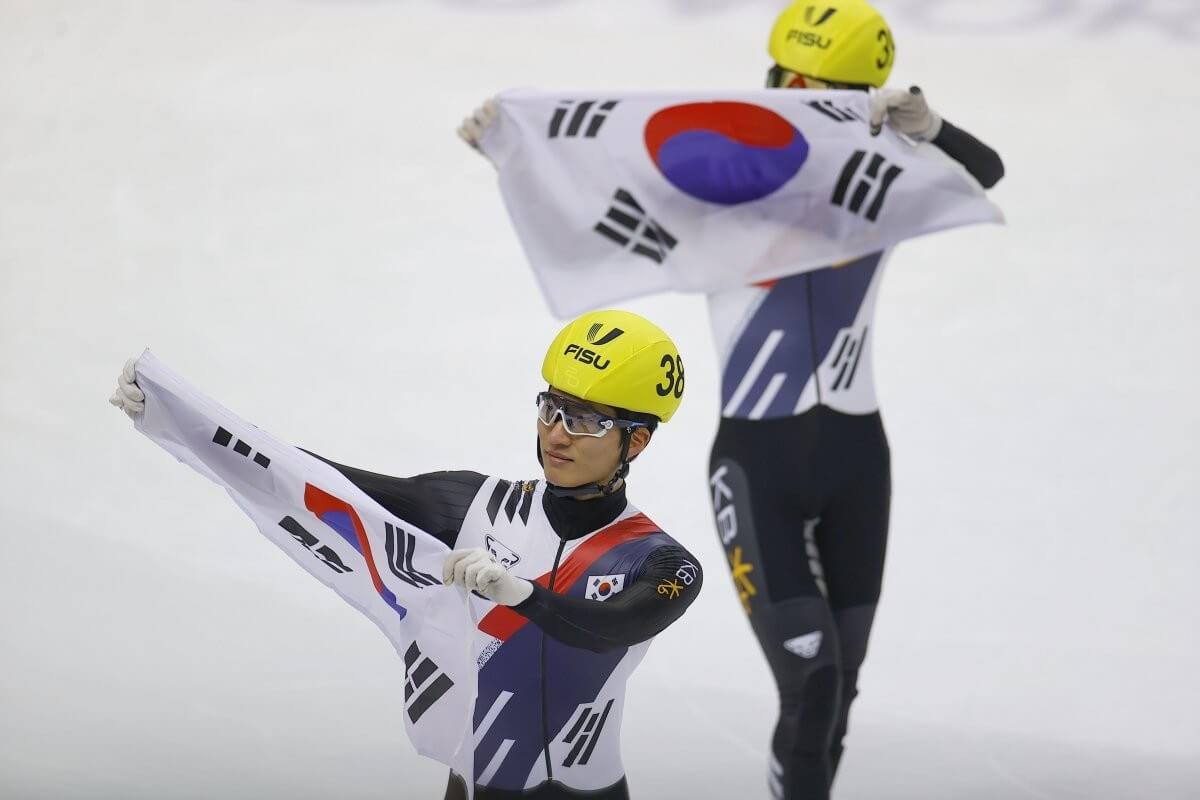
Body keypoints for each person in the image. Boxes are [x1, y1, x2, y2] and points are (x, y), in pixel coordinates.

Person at [456, 2, 1004, 798]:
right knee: (814, 679)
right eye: (794, 83)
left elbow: (983, 176)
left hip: (859, 462)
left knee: (840, 688)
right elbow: (595, 199)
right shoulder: (717, 198)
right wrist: (515, 150)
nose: (806, 101)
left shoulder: (873, 184)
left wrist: (933, 128)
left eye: (832, 93)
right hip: (759, 466)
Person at [109, 309, 703, 800]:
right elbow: (319, 485)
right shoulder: (475, 505)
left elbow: (613, 627)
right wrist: (184, 420)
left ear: (637, 440)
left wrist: (519, 593)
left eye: (586, 420)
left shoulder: (661, 562)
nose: (557, 433)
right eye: (551, 408)